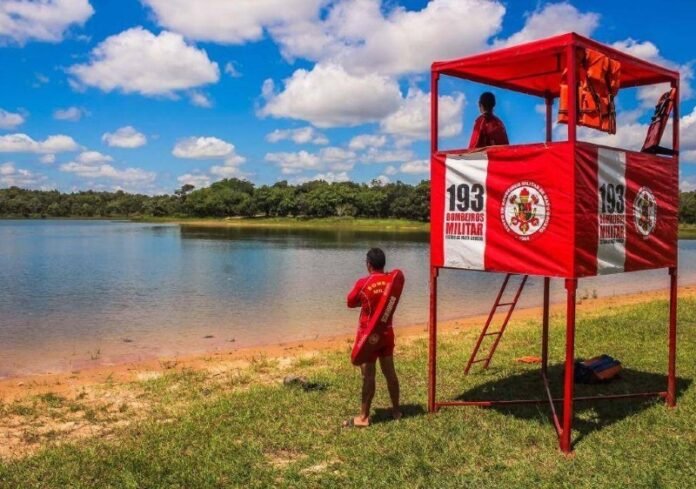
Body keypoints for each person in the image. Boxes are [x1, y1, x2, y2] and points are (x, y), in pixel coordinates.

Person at [343, 248, 402, 427]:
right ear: (383, 264)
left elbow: (350, 302)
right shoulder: (390, 281)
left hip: (368, 336)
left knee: (368, 376)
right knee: (390, 372)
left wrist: (364, 301)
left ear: (368, 264)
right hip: (386, 333)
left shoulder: (364, 283)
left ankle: (363, 417)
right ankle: (396, 411)